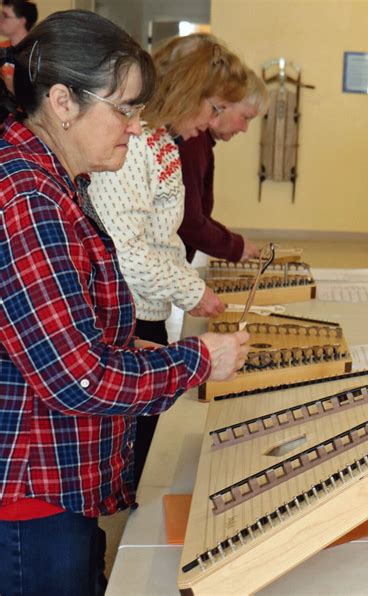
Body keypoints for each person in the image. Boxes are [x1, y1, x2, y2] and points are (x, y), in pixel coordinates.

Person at [0, 10, 249, 595]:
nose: (136, 129)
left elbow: (62, 336)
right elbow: (77, 378)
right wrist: (198, 362)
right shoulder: (28, 198)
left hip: (61, 479)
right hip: (33, 491)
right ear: (63, 102)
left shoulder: (57, 180)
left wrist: (131, 346)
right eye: (125, 110)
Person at [88, 33, 250, 487]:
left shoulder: (161, 141)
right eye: (214, 108)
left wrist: (189, 286)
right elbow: (126, 251)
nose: (214, 121)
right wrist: (192, 290)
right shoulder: (133, 145)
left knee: (147, 439)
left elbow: (164, 241)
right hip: (128, 315)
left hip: (151, 309)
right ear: (186, 91)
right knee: (133, 452)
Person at [178, 69, 268, 264]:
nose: (244, 129)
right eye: (245, 117)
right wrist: (235, 246)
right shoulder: (192, 141)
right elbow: (188, 221)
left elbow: (196, 215)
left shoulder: (200, 143)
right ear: (223, 104)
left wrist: (236, 244)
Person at [0, 0, 37, 88]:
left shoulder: (35, 52)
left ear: (21, 21)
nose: (0, 19)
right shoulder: (1, 48)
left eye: (5, 16)